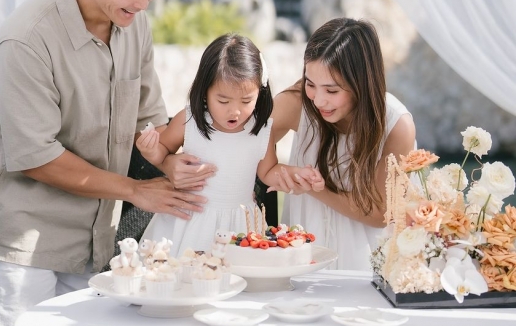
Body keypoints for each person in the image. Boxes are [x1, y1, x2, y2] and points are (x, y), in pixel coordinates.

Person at [0, 0, 213, 326]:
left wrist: (172, 157)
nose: (142, 4)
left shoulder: (133, 25)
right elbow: (36, 156)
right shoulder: (27, 39)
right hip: (22, 240)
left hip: (97, 237)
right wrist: (136, 190)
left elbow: (149, 116)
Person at [136, 33, 324, 256]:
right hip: (188, 221)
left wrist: (296, 174)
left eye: (246, 101)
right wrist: (149, 149)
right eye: (223, 101)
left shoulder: (262, 129)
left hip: (240, 226)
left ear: (260, 93)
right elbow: (162, 155)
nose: (234, 110)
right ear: (204, 91)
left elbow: (268, 172)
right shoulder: (189, 121)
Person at [270, 17, 416, 271]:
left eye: (332, 90)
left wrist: (312, 187)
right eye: (311, 84)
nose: (318, 100)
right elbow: (241, 136)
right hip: (304, 258)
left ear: (362, 84)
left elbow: (380, 213)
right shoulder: (297, 103)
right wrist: (273, 169)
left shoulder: (396, 125)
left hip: (367, 263)